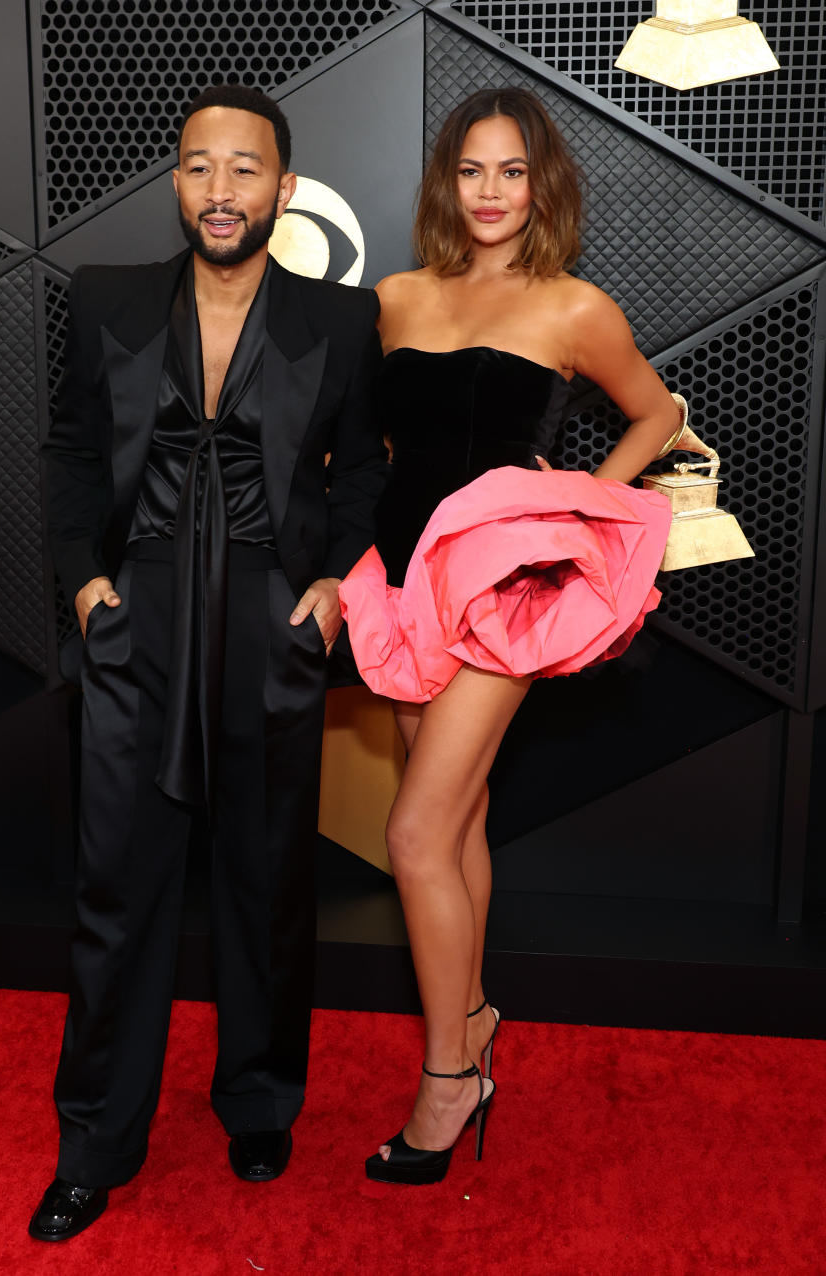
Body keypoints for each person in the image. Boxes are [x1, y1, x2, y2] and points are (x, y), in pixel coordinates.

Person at [30, 84, 388, 1240]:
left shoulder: (339, 319)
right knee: (116, 889)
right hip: (137, 619)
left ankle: (259, 1099)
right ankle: (96, 1139)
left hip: (271, 626)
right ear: (175, 182)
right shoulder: (103, 299)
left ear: (285, 189)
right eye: (199, 167)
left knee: (268, 879)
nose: (220, 190)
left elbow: (361, 474)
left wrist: (333, 586)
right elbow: (73, 450)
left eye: (246, 169)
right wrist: (86, 585)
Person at [339, 87, 679, 1185]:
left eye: (513, 172)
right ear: (447, 183)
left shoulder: (575, 306)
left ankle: (448, 1079)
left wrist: (580, 493)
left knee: (414, 834)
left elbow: (658, 411)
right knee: (463, 816)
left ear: (544, 186)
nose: (490, 192)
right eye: (472, 171)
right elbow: (384, 437)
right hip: (399, 575)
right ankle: (475, 1017)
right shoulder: (392, 296)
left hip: (502, 592)